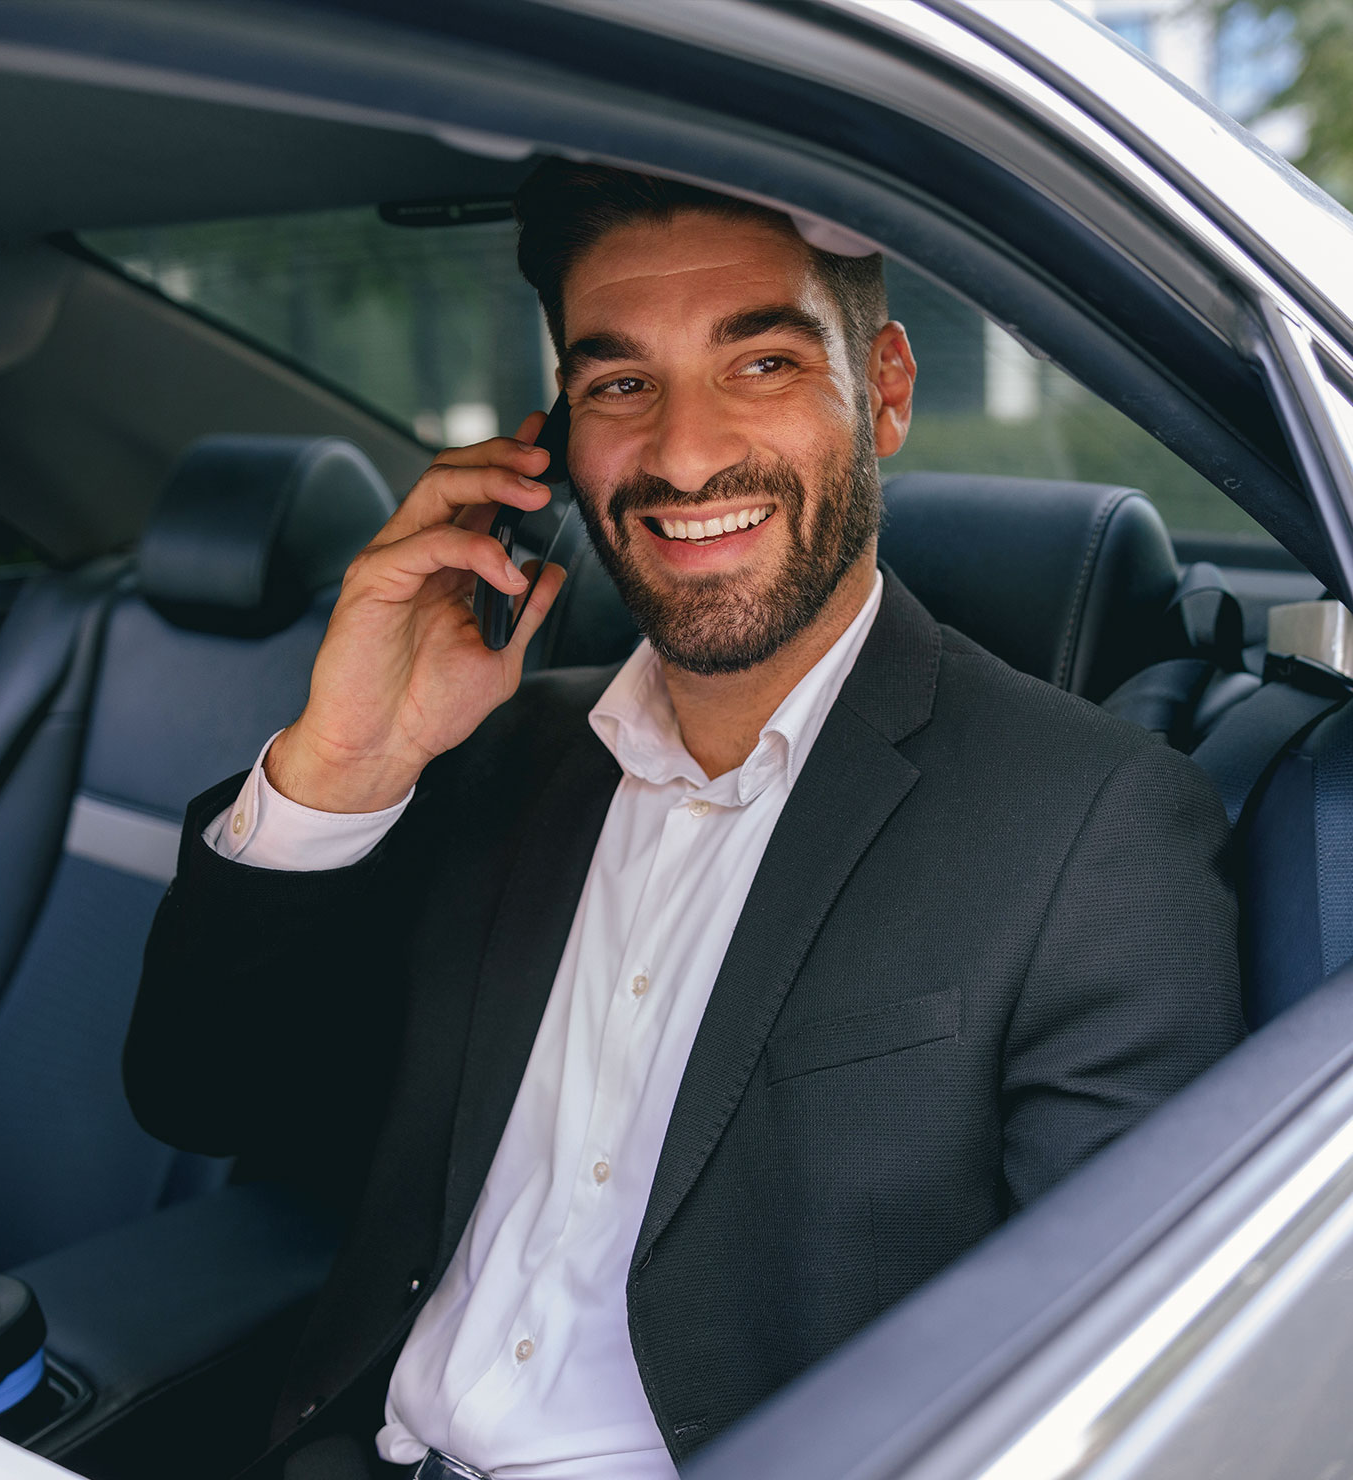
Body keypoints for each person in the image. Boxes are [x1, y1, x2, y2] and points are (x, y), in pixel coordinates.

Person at [124, 161, 1243, 1480]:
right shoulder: (502, 757)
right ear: (555, 435)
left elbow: (1119, 1398)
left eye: (760, 366)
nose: (685, 452)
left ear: (881, 390)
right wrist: (346, 760)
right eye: (618, 385)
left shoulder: (1093, 824)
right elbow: (204, 1095)